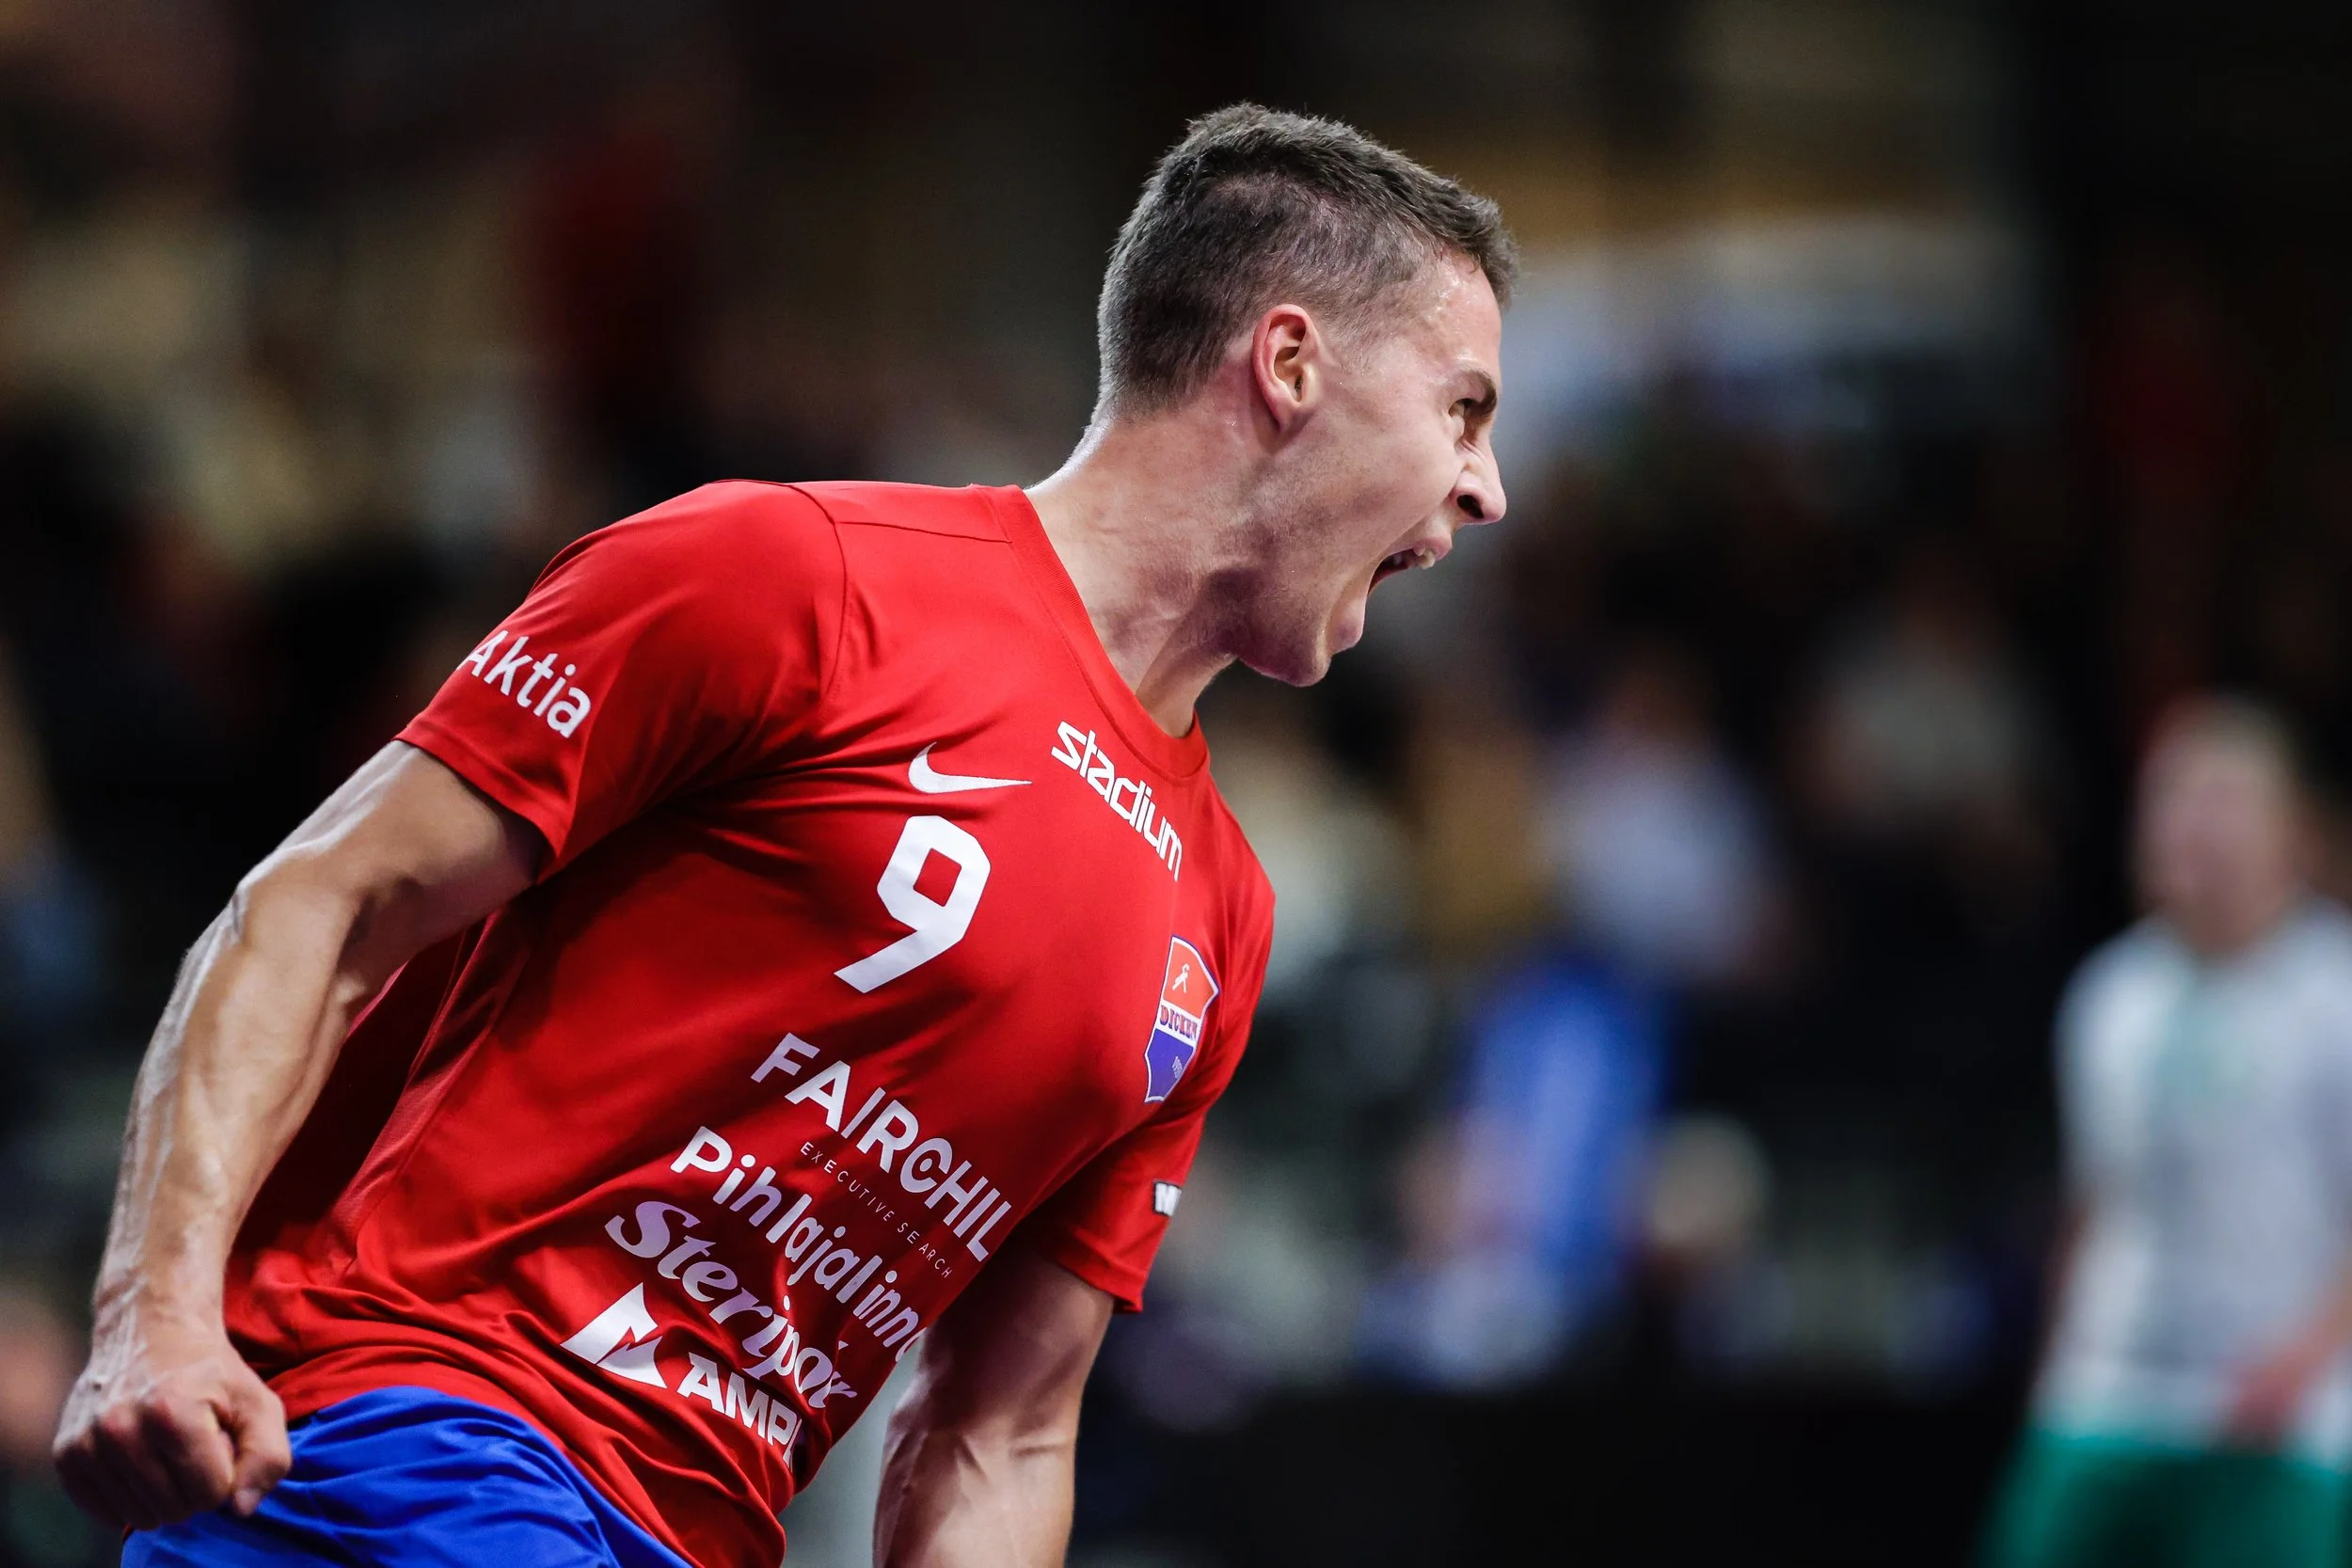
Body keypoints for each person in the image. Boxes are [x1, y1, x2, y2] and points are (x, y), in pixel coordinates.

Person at [49, 103, 1512, 1568]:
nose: (1484, 485)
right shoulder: (793, 577)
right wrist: (150, 1317)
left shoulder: (1223, 916)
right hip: (416, 1434)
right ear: (1291, 360)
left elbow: (1000, 1431)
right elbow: (319, 903)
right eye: (1462, 407)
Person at [1984, 698, 2352, 1568]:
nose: (2190, 826)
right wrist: (2054, 1371)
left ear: (2292, 835)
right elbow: (2095, 1198)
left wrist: (2300, 1360)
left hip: (2275, 1419)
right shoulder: (2110, 996)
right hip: (2106, 1397)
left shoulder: (2336, 996)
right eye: (2170, 800)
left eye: (2221, 800)